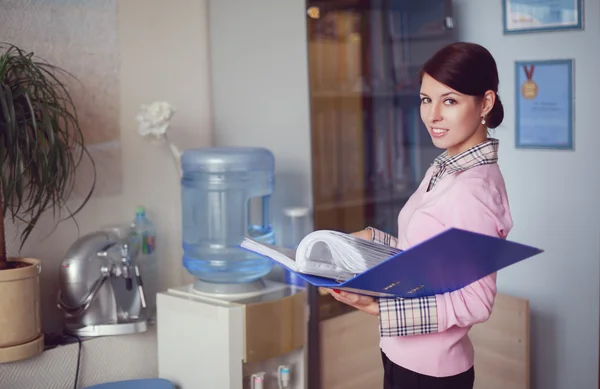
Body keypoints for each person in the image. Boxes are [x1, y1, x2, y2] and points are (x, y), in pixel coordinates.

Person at [324, 41, 514, 389]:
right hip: (402, 357)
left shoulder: (473, 191)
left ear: (485, 102)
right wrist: (371, 241)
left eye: (450, 100)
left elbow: (476, 303)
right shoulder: (445, 167)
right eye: (427, 99)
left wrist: (377, 307)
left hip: (431, 374)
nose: (433, 115)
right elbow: (431, 258)